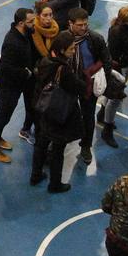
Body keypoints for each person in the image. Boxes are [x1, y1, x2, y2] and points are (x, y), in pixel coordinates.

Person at [29, 31, 89, 193]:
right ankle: (55, 184)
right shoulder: (64, 70)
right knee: (57, 150)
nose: (73, 51)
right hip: (59, 113)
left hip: (44, 110)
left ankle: (35, 175)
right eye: (71, 49)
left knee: (41, 144)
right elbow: (79, 87)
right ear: (62, 49)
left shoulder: (46, 60)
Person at [0, 8, 38, 162]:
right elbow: (6, 68)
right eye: (30, 22)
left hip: (18, 82)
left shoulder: (25, 34)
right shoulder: (12, 41)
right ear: (21, 23)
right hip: (8, 84)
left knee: (6, 114)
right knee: (3, 114)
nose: (33, 24)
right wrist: (27, 73)